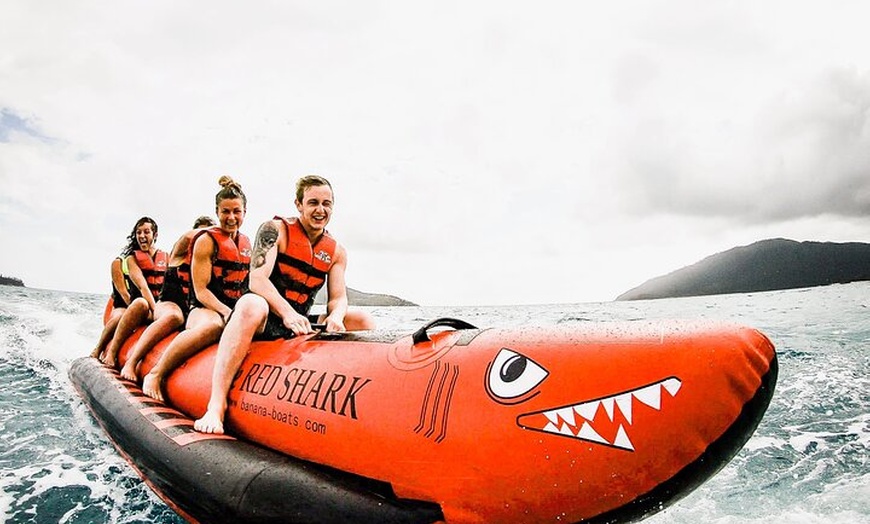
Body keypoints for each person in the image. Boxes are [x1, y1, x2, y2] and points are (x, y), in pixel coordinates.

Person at [195, 175, 375, 434]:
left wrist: (335, 316)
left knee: (363, 320)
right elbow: (257, 279)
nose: (320, 210)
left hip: (299, 323)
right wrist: (287, 314)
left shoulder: (336, 251)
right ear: (299, 204)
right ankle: (216, 404)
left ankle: (362, 405)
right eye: (313, 202)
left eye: (327, 204)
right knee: (250, 304)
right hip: (267, 318)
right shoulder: (274, 231)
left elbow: (338, 298)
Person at [140, 177, 251, 401]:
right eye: (225, 211)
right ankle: (156, 373)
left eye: (236, 211)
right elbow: (201, 292)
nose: (231, 218)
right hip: (203, 309)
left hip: (234, 310)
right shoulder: (206, 241)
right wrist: (227, 312)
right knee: (214, 325)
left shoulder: (246, 243)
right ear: (217, 212)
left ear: (245, 212)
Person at [119, 215, 216, 383]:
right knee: (173, 316)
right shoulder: (179, 252)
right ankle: (132, 361)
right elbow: (143, 287)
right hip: (167, 305)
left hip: (192, 311)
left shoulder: (214, 263)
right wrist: (218, 231)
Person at [98, 216, 168, 367]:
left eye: (146, 232)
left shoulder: (165, 258)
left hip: (155, 306)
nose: (142, 236)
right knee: (126, 312)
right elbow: (138, 288)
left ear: (155, 235)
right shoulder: (126, 261)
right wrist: (154, 313)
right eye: (139, 232)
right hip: (128, 305)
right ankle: (102, 350)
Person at [90, 253, 133, 359]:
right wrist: (135, 310)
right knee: (119, 317)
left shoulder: (155, 263)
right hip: (123, 306)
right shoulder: (118, 263)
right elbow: (123, 293)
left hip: (144, 308)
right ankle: (98, 349)